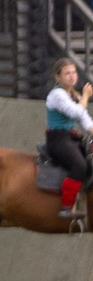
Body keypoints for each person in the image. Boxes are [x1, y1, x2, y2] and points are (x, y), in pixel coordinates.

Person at [44, 59, 93, 188]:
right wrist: (86, 96)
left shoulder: (72, 94)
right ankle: (66, 206)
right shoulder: (57, 95)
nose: (72, 76)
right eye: (67, 73)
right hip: (58, 141)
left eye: (74, 72)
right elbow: (75, 113)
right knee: (79, 166)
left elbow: (83, 117)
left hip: (70, 139)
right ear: (58, 77)